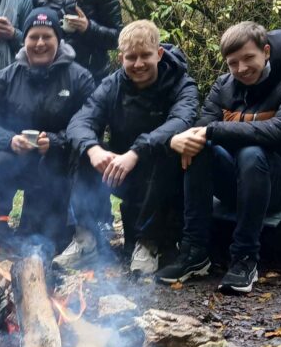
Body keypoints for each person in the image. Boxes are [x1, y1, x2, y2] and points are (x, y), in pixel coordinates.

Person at [155, 22, 281, 293]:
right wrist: (187, 139)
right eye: (233, 63)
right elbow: (201, 127)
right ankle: (195, 250)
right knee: (199, 145)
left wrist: (213, 130)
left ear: (265, 51)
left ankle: (245, 257)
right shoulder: (224, 87)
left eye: (248, 58)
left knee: (251, 151)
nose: (242, 69)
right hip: (236, 179)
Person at [63, 20, 198, 271]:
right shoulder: (111, 85)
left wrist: (137, 151)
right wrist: (94, 149)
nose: (138, 64)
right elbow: (81, 121)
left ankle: (149, 243)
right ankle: (86, 239)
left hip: (166, 181)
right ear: (121, 57)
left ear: (159, 54)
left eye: (145, 55)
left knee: (168, 147)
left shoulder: (181, 83)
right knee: (81, 148)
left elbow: (182, 120)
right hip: (119, 171)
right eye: (131, 57)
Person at [0, 7, 96, 248]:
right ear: (24, 41)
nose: (40, 43)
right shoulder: (6, 77)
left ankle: (66, 230)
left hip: (60, 161)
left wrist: (54, 141)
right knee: (1, 160)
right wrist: (10, 140)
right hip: (17, 156)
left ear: (59, 40)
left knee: (46, 242)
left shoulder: (79, 78)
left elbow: (88, 124)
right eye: (34, 37)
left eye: (47, 36)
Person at [32, 0, 123, 82]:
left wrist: (88, 28)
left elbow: (117, 39)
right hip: (51, 74)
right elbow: (31, 31)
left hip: (91, 76)